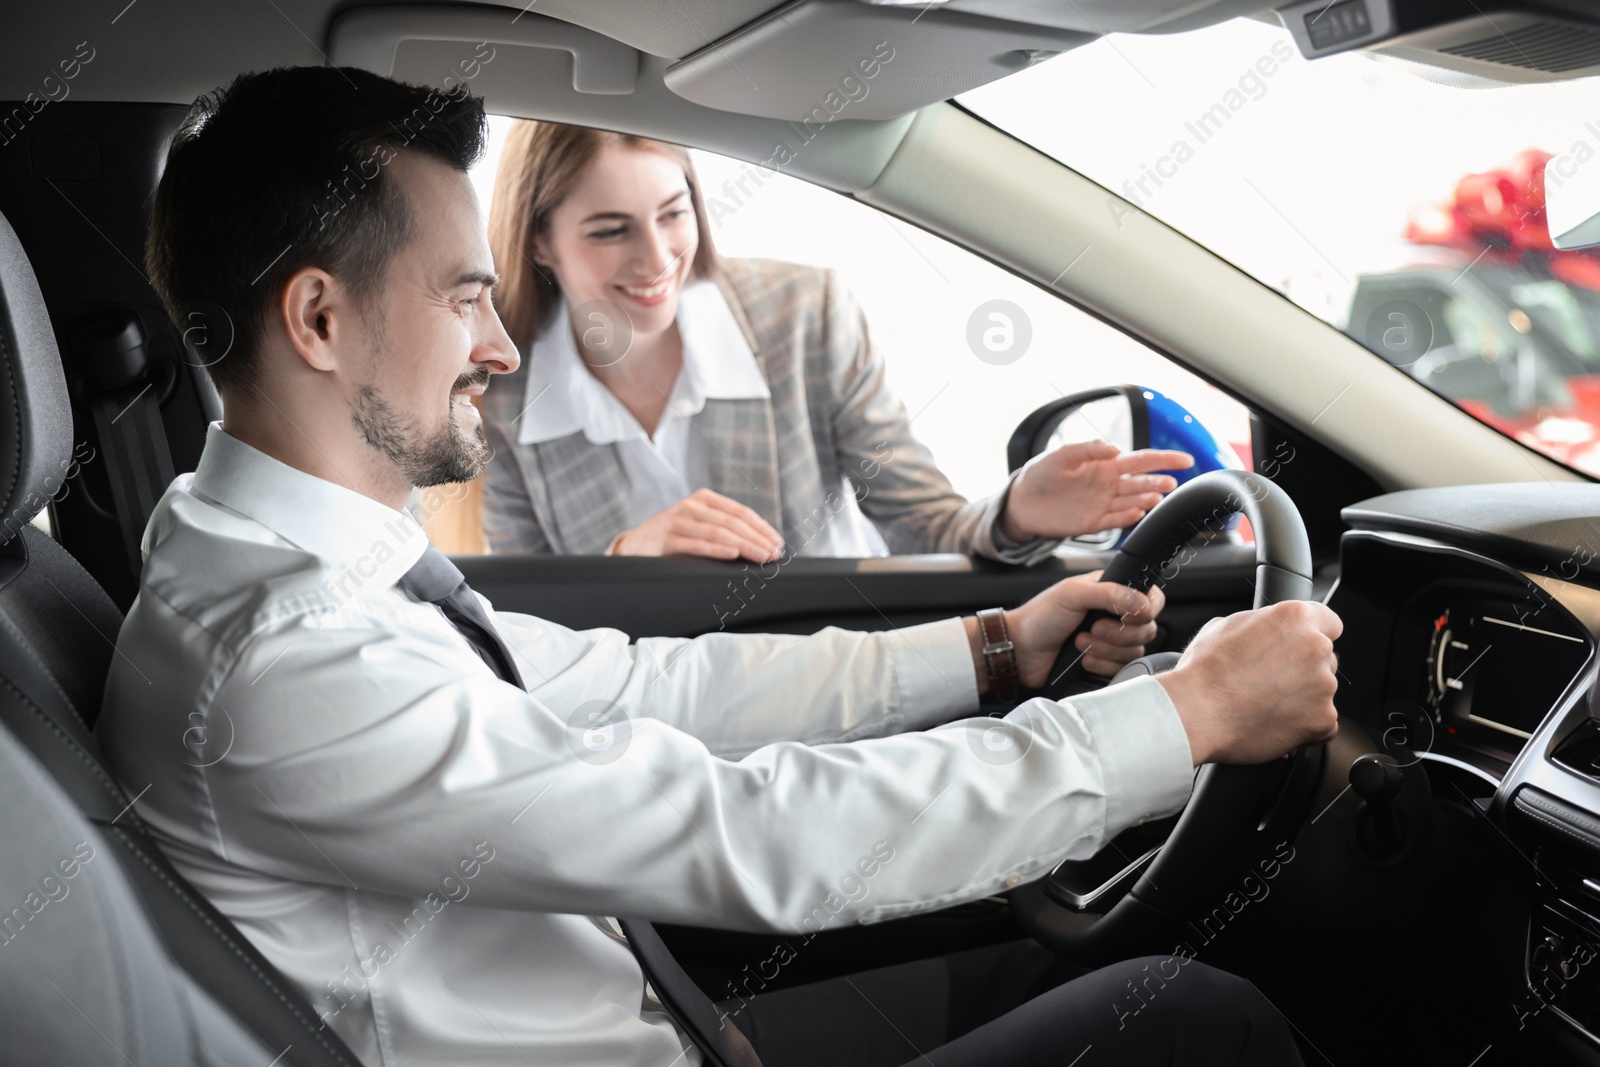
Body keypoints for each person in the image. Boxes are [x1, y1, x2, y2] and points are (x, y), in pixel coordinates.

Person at [99, 66, 1343, 1067]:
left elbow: (642, 691)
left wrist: (990, 646)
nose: (494, 342)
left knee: (1059, 968)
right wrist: (1184, 713)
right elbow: (753, 832)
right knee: (1193, 1013)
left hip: (663, 1019)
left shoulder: (274, 558)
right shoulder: (292, 651)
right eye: (465, 296)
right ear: (318, 319)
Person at [478, 119, 1194, 562]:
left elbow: (925, 522)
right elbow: (530, 616)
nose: (658, 256)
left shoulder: (803, 315)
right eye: (611, 230)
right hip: (645, 723)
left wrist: (1013, 512)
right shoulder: (503, 391)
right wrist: (624, 555)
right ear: (540, 243)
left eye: (674, 213)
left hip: (830, 677)